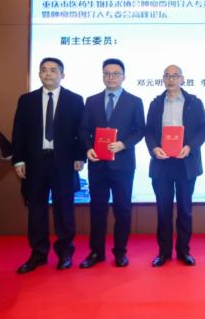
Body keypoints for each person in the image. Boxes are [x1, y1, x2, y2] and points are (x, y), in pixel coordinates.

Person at [12, 57, 85, 273]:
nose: (48, 74)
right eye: (44, 70)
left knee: (64, 210)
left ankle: (65, 253)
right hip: (35, 163)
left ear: (62, 75)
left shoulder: (75, 100)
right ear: (39, 74)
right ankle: (38, 254)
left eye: (53, 70)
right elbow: (18, 131)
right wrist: (19, 159)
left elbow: (81, 132)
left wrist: (80, 156)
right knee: (36, 210)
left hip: (63, 162)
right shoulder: (27, 100)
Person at [79, 58, 145, 268]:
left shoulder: (134, 101)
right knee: (97, 209)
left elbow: (140, 130)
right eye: (107, 73)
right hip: (98, 164)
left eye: (115, 73)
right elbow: (84, 130)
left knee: (123, 210)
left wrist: (124, 144)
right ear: (102, 75)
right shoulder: (92, 101)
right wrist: (88, 147)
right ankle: (96, 252)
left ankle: (120, 252)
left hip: (123, 165)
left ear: (123, 76)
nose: (111, 77)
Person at [145, 65, 205, 267]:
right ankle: (163, 252)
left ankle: (183, 251)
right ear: (163, 79)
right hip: (162, 163)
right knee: (163, 210)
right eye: (167, 76)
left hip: (185, 163)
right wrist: (154, 148)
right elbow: (148, 131)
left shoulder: (194, 103)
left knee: (185, 210)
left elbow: (204, 129)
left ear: (183, 79)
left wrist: (190, 147)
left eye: (175, 76)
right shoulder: (156, 103)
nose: (171, 79)